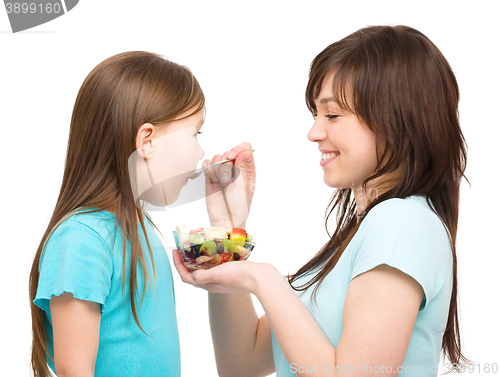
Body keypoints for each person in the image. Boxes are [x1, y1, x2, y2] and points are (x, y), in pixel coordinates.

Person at [173, 25, 472, 376]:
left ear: (397, 120)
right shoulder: (362, 235)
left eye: (332, 114)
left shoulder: (401, 222)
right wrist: (226, 231)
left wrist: (265, 279)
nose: (314, 132)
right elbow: (242, 362)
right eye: (315, 114)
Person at [28, 51, 254, 377]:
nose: (202, 152)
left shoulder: (141, 228)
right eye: (195, 134)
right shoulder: (80, 240)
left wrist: (230, 228)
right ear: (146, 141)